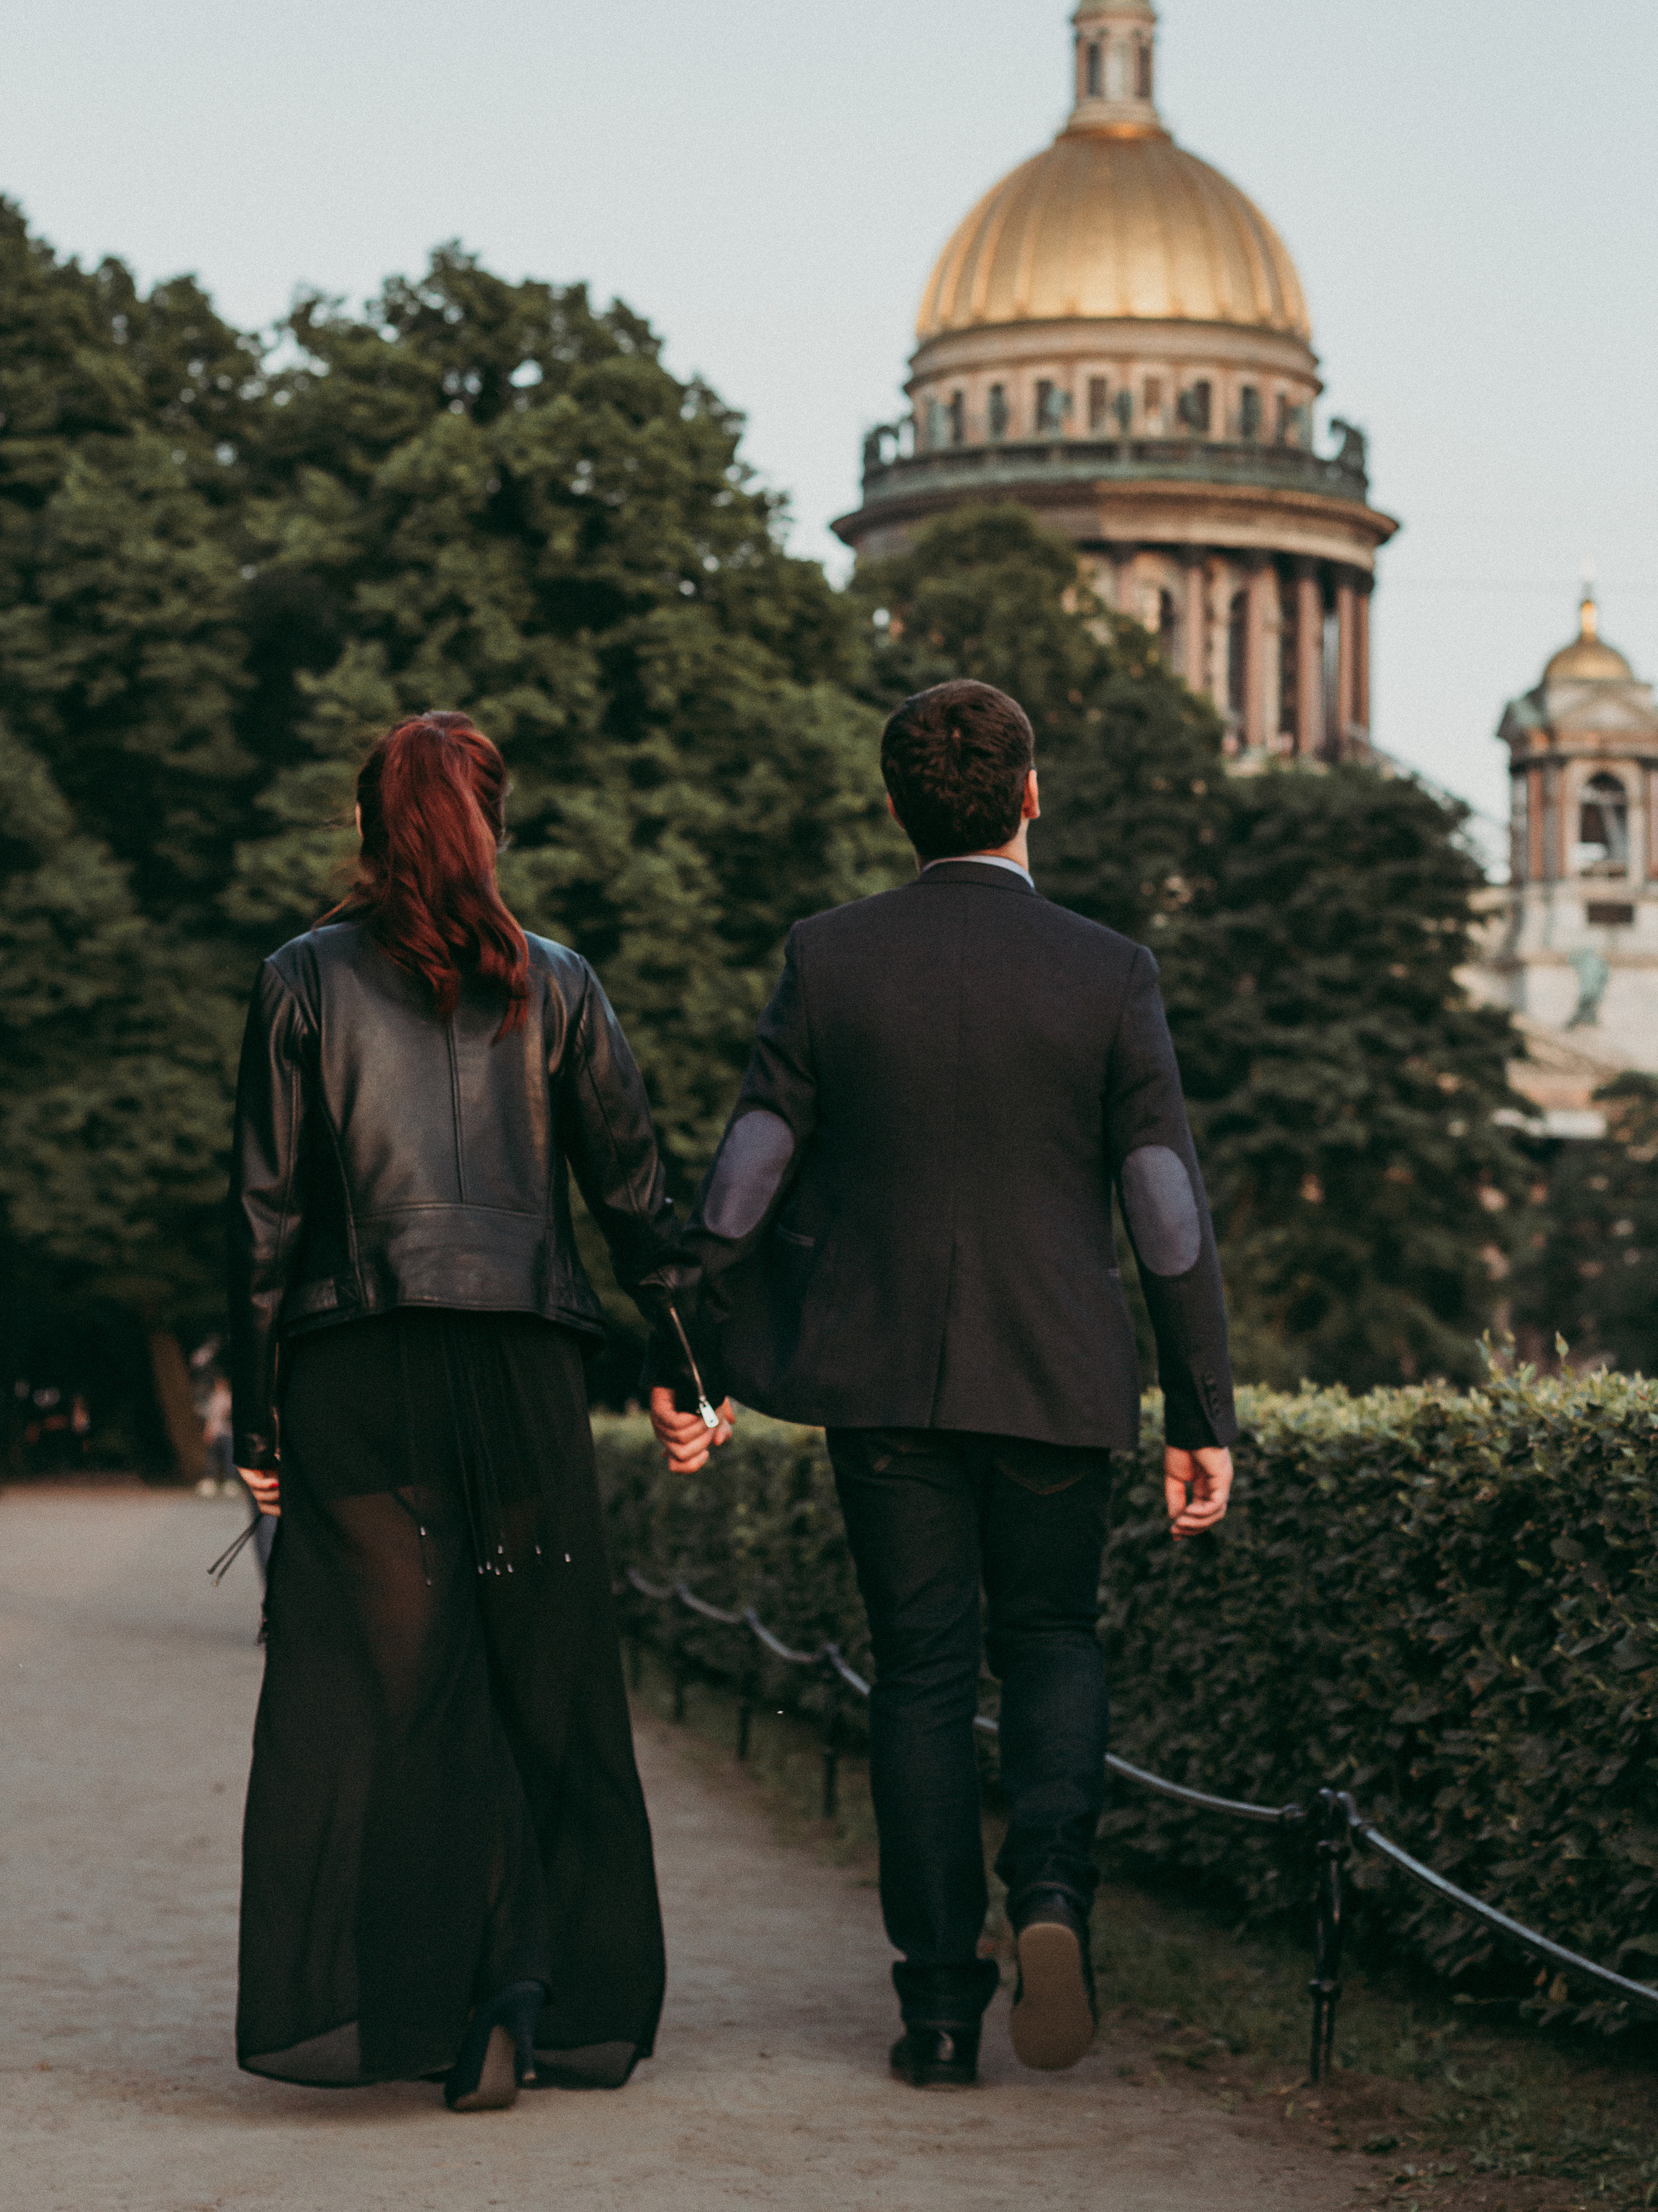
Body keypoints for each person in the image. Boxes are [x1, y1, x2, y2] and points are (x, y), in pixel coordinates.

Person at [652, 678, 1236, 2089]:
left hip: (886, 1378)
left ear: (894, 806)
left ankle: (930, 2009)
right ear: (1030, 796)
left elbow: (745, 1176)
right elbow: (1163, 1204)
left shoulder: (831, 957)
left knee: (915, 1673)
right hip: (1056, 1371)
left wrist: (692, 1354)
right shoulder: (1108, 971)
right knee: (1050, 1641)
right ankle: (1049, 1899)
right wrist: (1201, 1407)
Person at [229, 710, 701, 2111]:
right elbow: (634, 1196)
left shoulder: (297, 979)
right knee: (535, 1685)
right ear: (490, 819)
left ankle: (434, 2001)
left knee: (400, 1689)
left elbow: (265, 1215)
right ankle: (527, 1985)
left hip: (359, 1366)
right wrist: (684, 1367)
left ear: (368, 822)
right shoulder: (557, 983)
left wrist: (257, 1424)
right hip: (521, 1365)